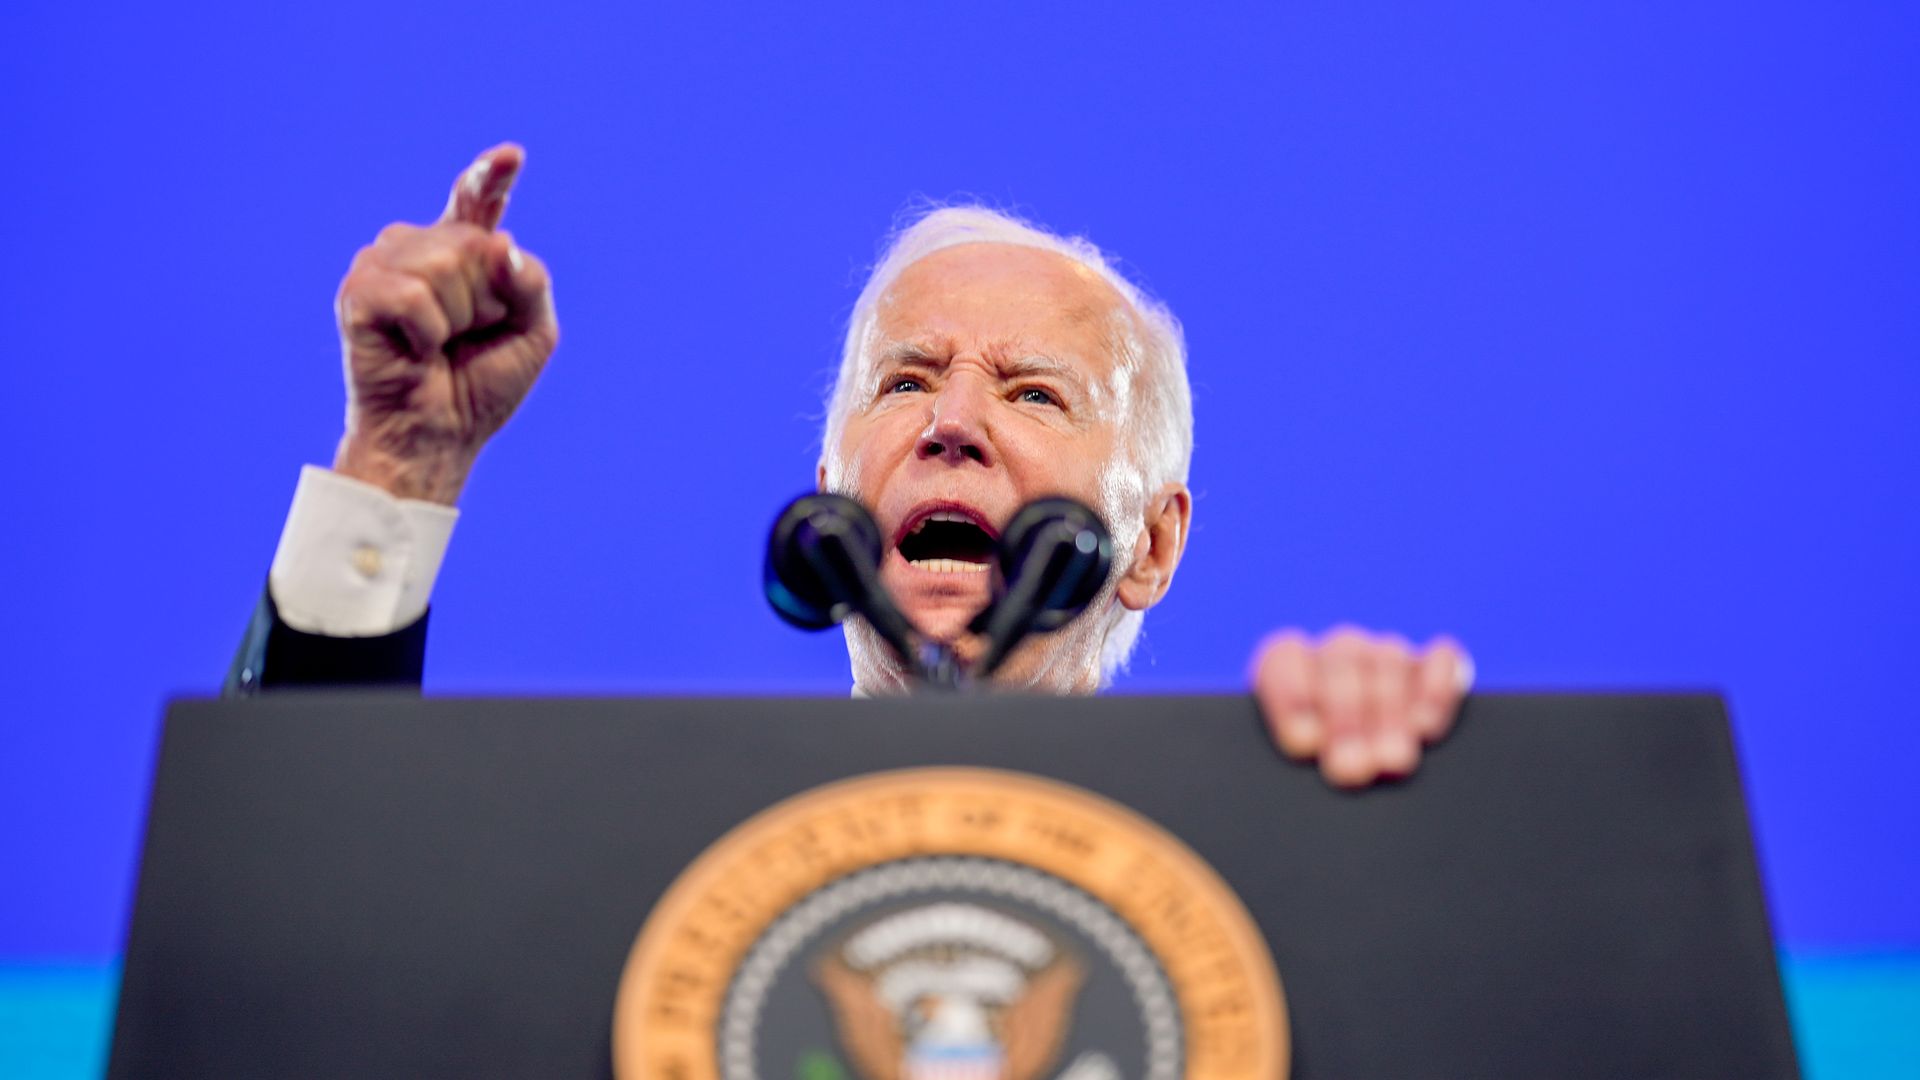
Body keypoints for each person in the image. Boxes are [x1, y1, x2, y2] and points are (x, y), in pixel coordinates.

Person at [229, 144, 1472, 789]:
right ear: (833, 493)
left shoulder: (1258, 861)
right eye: (906, 381)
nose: (952, 424)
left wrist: (1387, 800)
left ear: (1151, 543)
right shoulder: (643, 869)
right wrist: (399, 460)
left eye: (1035, 392)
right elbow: (295, 919)